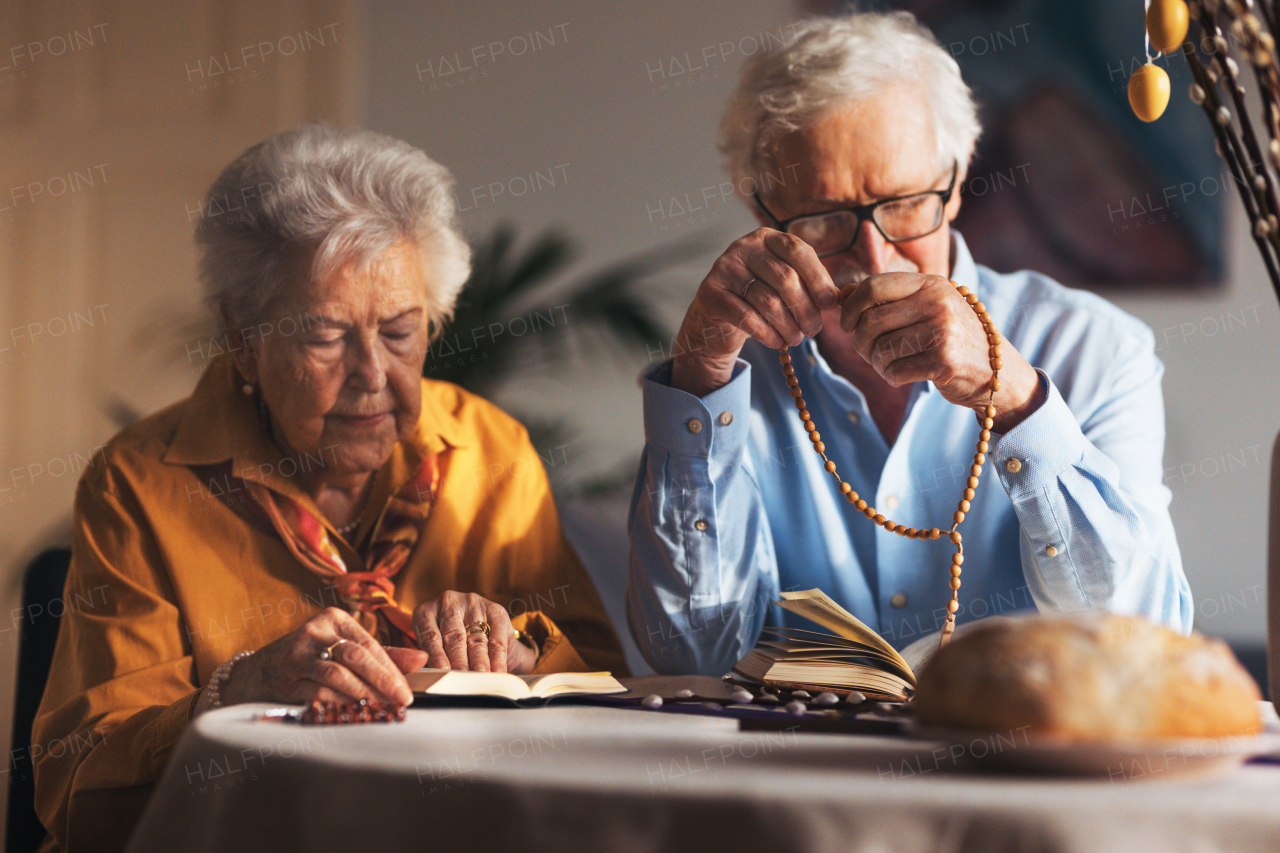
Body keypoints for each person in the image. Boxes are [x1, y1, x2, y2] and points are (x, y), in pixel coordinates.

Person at [32, 123, 625, 852]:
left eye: (400, 331)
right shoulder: (140, 481)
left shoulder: (491, 449)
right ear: (241, 336)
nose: (372, 373)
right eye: (324, 334)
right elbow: (82, 796)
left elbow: (614, 705)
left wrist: (523, 661)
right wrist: (236, 692)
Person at [626, 12, 1192, 675]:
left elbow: (1139, 642)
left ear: (953, 184)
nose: (875, 253)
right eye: (825, 217)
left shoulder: (1095, 350)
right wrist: (698, 379)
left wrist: (1014, 398)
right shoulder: (723, 383)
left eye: (904, 203)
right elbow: (687, 655)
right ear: (760, 209)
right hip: (792, 772)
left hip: (1022, 766)